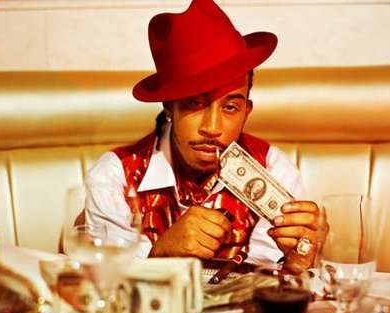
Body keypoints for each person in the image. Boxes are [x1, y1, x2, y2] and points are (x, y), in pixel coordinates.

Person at [84, 0, 327, 273]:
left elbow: (267, 278)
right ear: (169, 107)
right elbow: (104, 282)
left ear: (246, 112)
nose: (212, 127)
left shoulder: (274, 170)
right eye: (195, 104)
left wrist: (296, 263)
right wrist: (158, 256)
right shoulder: (114, 177)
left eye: (230, 107)